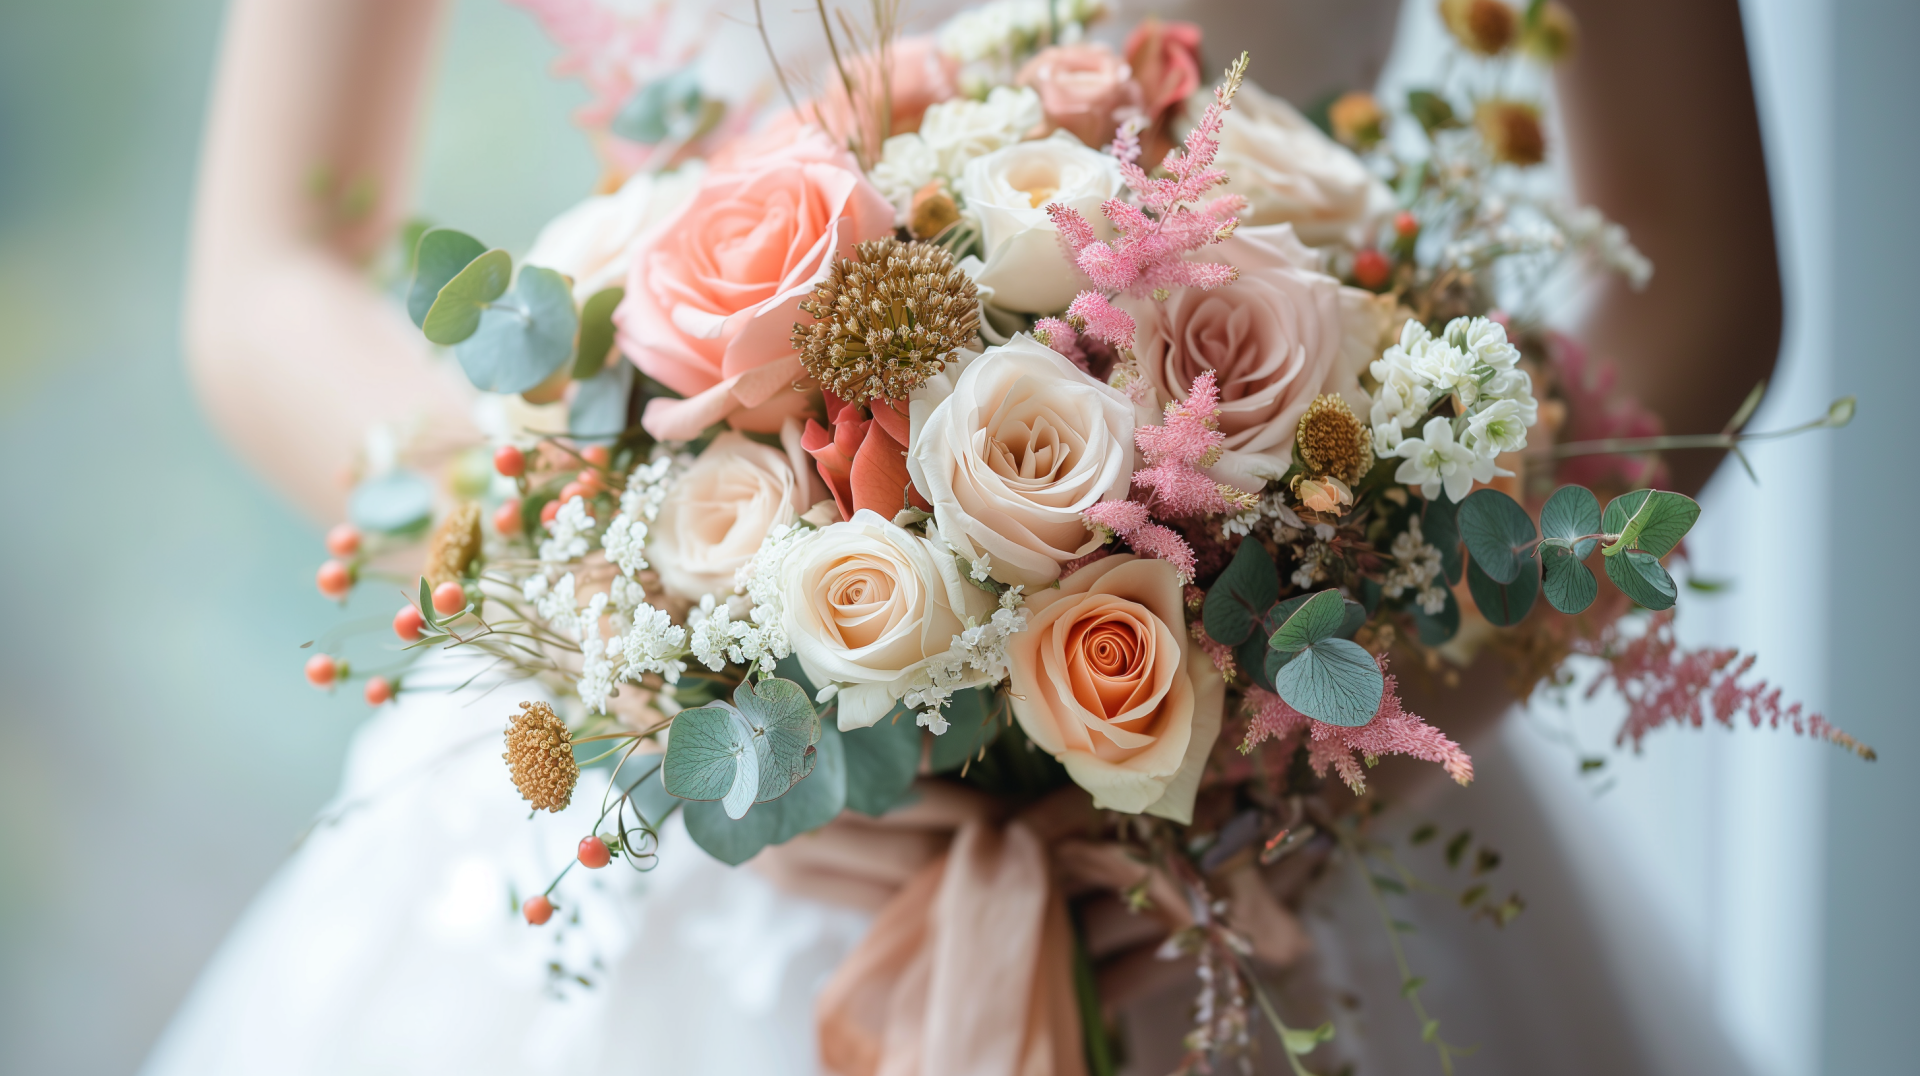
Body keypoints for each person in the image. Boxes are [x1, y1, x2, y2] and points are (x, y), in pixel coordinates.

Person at [151, 0, 1780, 1072]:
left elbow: (1698, 264)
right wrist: (637, 649)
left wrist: (1335, 734)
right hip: (655, 792)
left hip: (1288, 805)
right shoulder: (641, 661)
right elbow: (269, 269)